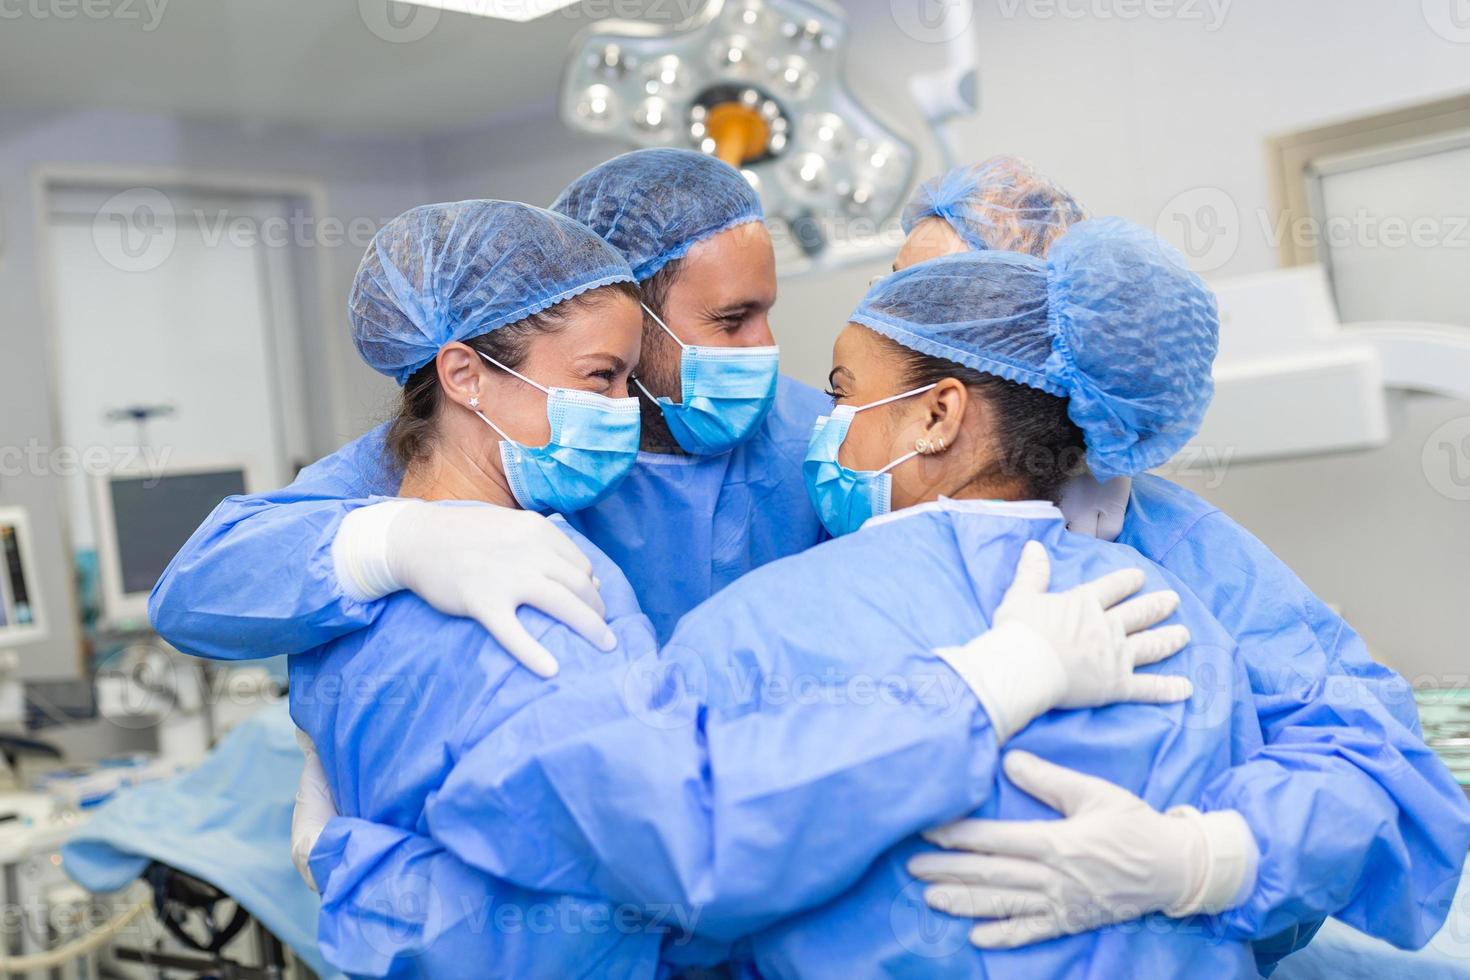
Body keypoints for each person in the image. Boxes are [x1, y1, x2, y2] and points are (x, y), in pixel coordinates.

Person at [298, 201, 1196, 976]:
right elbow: (689, 841)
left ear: (942, 413)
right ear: (462, 375)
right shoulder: (1165, 615)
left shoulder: (347, 591)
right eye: (603, 379)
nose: (622, 412)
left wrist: (354, 870)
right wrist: (988, 690)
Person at [896, 156, 1470, 966]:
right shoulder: (836, 512)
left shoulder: (1177, 552)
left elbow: (1377, 766)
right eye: (887, 299)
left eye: (930, 311)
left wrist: (1202, 859)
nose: (889, 332)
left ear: (1041, 348)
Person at [148, 149, 827, 677]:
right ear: (626, 310)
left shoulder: (807, 436)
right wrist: (391, 544)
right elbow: (199, 592)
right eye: (732, 320)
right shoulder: (490, 445)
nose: (765, 349)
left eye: (767, 313)